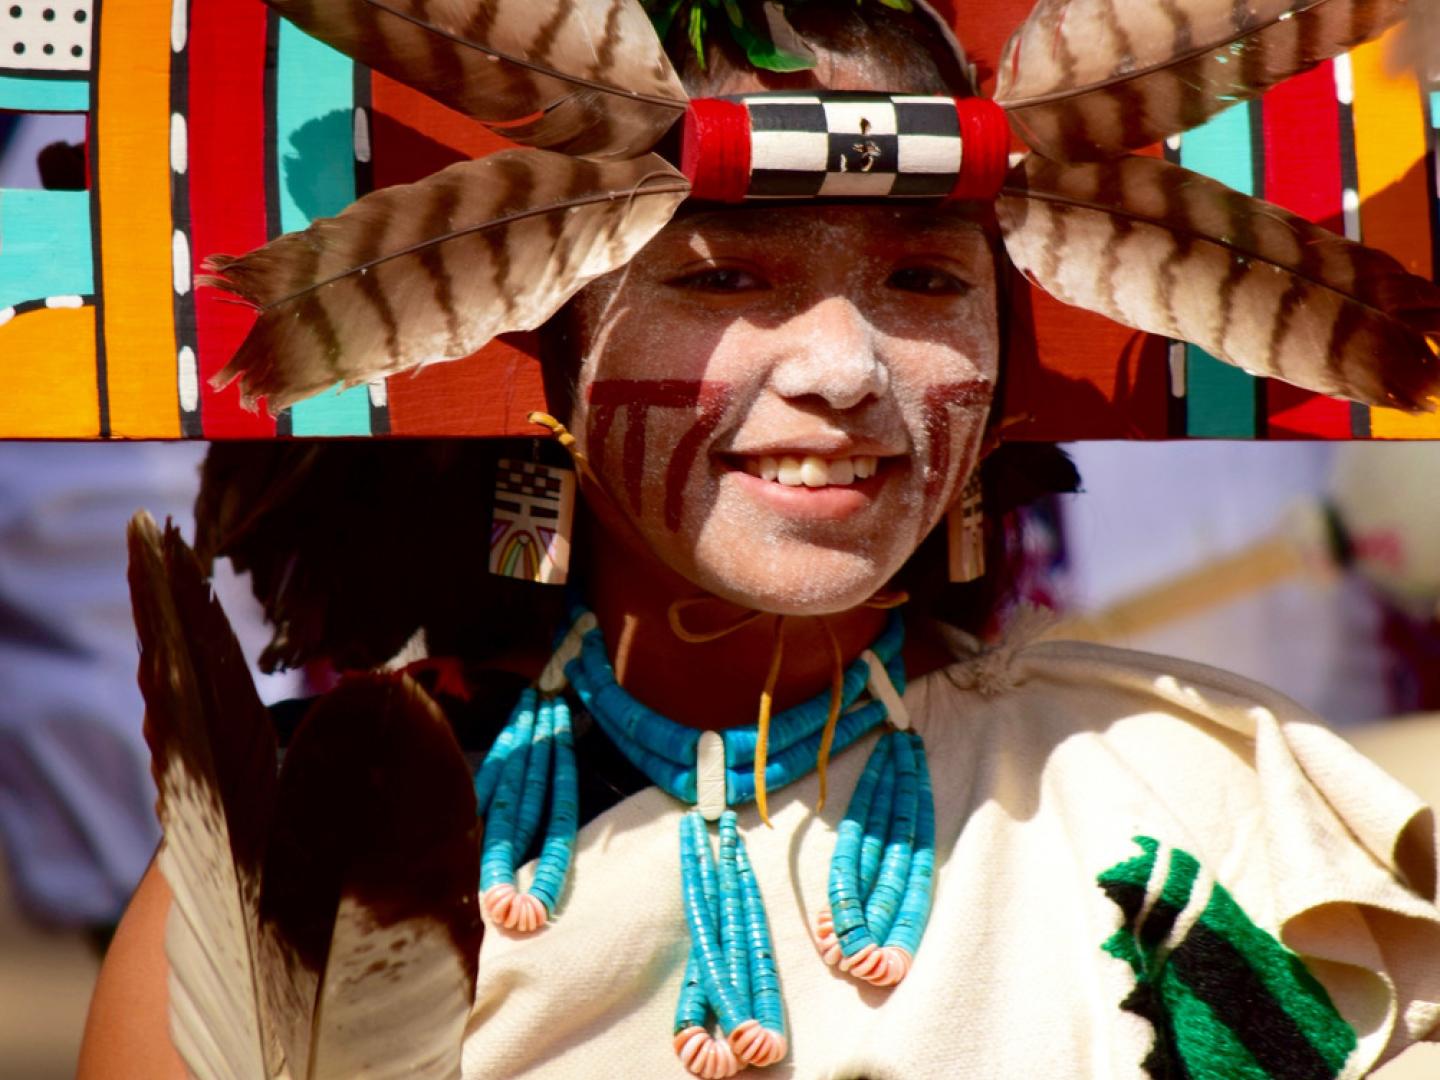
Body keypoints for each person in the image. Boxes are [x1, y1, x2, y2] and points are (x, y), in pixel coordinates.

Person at [78, 2, 1440, 1078]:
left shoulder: (1196, 823)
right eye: (725, 278)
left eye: (922, 280)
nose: (846, 369)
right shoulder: (309, 873)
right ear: (541, 356)